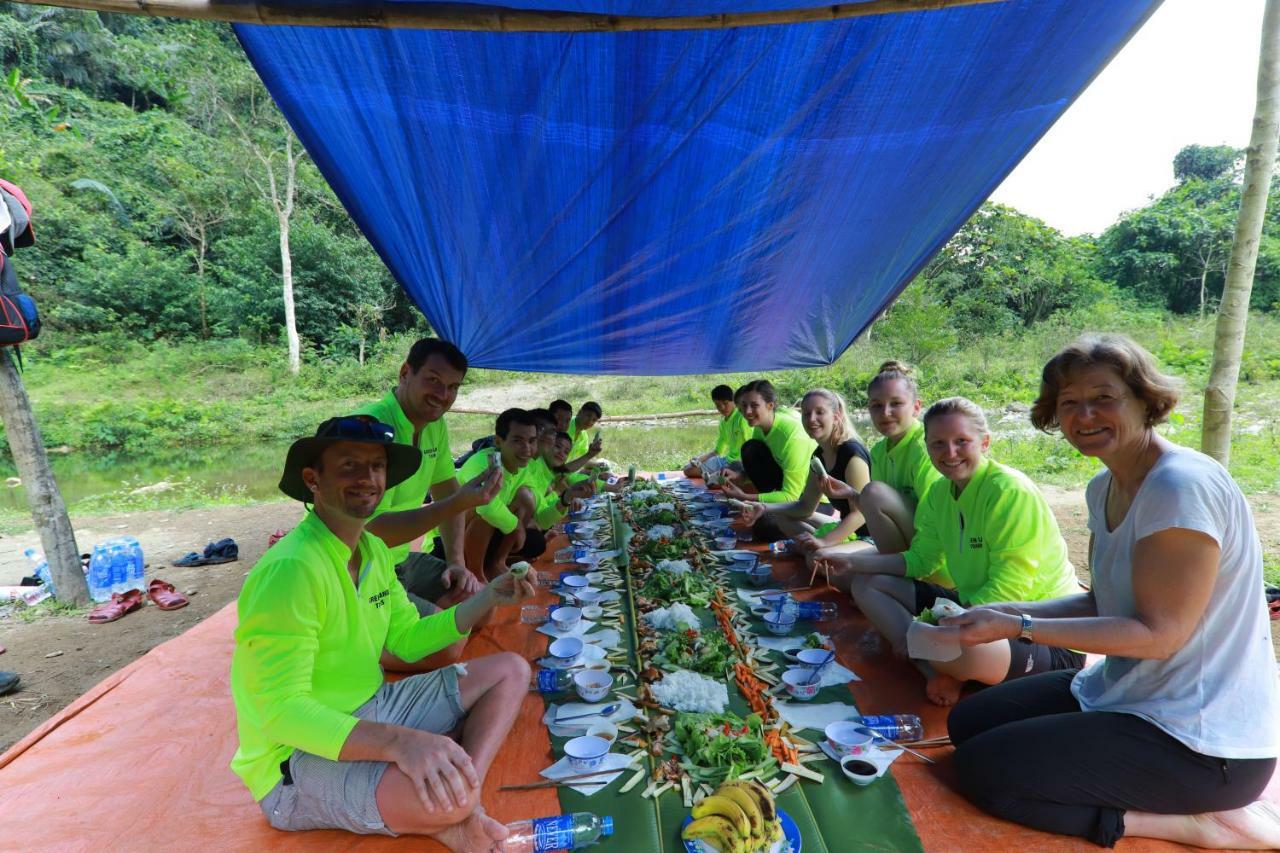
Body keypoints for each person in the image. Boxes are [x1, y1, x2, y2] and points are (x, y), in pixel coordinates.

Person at [942, 334, 1280, 850]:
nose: (1085, 416)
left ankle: (1197, 824)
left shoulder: (1179, 486)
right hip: (1133, 693)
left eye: (1103, 398)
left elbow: (1160, 635)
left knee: (984, 773)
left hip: (1205, 739)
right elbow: (1101, 603)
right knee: (968, 722)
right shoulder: (1105, 487)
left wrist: (1019, 627)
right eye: (1069, 403)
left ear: (1146, 400)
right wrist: (1001, 610)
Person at [230, 416, 534, 850]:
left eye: (376, 466)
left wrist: (488, 598)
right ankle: (456, 804)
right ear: (313, 480)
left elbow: (407, 640)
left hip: (373, 707)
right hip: (295, 758)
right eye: (349, 465)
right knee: (443, 798)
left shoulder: (372, 549)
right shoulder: (292, 570)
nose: (367, 478)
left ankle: (468, 793)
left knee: (511, 669)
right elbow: (281, 711)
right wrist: (401, 743)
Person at [817, 397, 1081, 706]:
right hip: (973, 607)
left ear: (985, 442)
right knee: (868, 584)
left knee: (947, 642)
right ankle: (935, 668)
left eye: (962, 442)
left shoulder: (1009, 491)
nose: (950, 453)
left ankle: (947, 668)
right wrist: (850, 562)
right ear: (926, 446)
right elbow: (921, 560)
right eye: (938, 444)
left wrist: (940, 628)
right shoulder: (938, 494)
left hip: (1038, 631)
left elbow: (1011, 587)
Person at [356, 338, 484, 616]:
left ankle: (417, 624)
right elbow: (370, 529)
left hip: (401, 560)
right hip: (361, 566)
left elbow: (447, 490)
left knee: (482, 605)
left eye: (453, 387)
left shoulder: (434, 425)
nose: (443, 394)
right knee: (449, 637)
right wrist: (457, 503)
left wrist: (457, 563)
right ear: (405, 373)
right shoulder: (370, 428)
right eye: (434, 380)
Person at [737, 389, 873, 558]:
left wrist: (824, 541)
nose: (811, 419)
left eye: (819, 412)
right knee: (781, 517)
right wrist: (764, 508)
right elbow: (805, 507)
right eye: (806, 414)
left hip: (871, 536)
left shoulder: (851, 453)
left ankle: (811, 549)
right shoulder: (819, 455)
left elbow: (861, 514)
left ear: (836, 417)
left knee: (818, 557)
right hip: (845, 527)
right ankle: (809, 547)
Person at [720, 380, 817, 539]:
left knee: (764, 529)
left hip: (809, 502)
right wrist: (740, 477)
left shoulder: (792, 436)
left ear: (770, 405)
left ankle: (764, 509)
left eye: (754, 405)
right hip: (784, 489)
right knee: (749, 450)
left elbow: (791, 496)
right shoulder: (759, 428)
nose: (747, 411)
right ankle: (764, 507)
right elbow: (764, 468)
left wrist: (745, 497)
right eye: (743, 406)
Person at [457, 408, 543, 579]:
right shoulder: (483, 463)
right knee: (483, 507)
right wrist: (516, 527)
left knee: (527, 502)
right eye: (517, 440)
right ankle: (476, 574)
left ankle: (497, 563)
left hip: (488, 534)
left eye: (532, 441)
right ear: (498, 441)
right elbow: (485, 506)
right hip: (450, 539)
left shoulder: (522, 467)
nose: (527, 449)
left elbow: (538, 508)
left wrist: (566, 500)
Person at [683, 384, 753, 478]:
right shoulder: (723, 423)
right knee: (688, 469)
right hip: (726, 461)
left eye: (725, 403)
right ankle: (718, 475)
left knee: (717, 482)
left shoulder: (742, 418)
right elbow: (718, 451)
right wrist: (699, 459)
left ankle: (720, 476)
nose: (722, 408)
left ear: (733, 401)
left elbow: (753, 447)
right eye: (718, 405)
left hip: (741, 463)